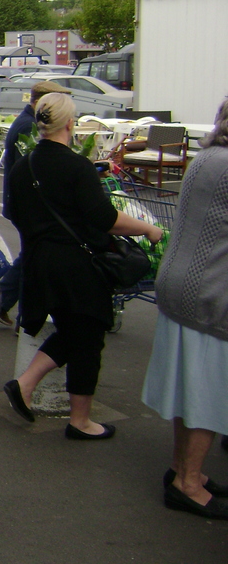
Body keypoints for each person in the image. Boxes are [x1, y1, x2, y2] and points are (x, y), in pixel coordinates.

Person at [3, 93, 163, 439]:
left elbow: (15, 213)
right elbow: (105, 218)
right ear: (71, 124)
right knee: (89, 336)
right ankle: (80, 421)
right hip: (76, 266)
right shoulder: (77, 167)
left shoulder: (22, 166)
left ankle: (25, 384)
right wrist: (149, 228)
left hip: (39, 264)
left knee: (75, 331)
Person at [141, 96, 228, 520]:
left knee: (189, 389)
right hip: (213, 293)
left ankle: (181, 468)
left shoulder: (208, 156)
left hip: (180, 284)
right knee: (209, 394)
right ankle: (188, 483)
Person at [0, 79, 72, 326]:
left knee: (29, 256)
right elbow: (32, 171)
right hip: (26, 206)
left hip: (22, 204)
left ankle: (1, 303)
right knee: (31, 259)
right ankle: (13, 310)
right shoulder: (27, 126)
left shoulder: (27, 121)